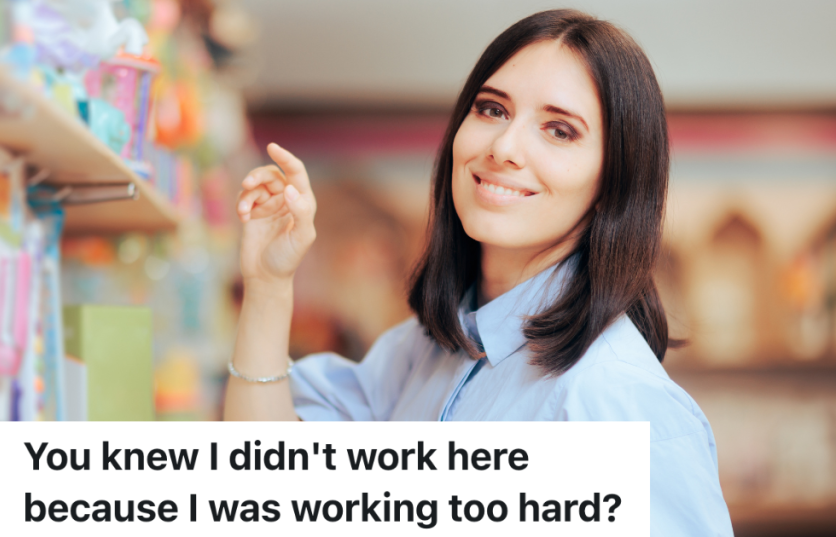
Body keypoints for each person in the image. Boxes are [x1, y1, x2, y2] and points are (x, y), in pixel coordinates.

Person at [223, 9, 733, 536]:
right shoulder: (419, 355)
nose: (503, 147)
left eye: (559, 130)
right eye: (492, 109)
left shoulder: (617, 402)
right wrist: (267, 285)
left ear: (614, 183)